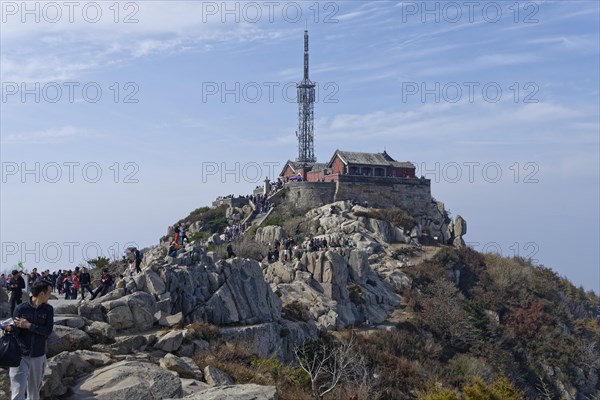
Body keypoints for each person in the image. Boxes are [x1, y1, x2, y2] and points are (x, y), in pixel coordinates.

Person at [3, 280, 54, 400]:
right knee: (17, 391)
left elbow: (47, 331)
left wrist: (29, 326)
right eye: (49, 292)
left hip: (38, 355)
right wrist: (11, 328)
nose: (50, 295)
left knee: (34, 392)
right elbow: (17, 331)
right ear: (42, 293)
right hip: (20, 355)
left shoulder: (48, 310)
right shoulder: (21, 308)